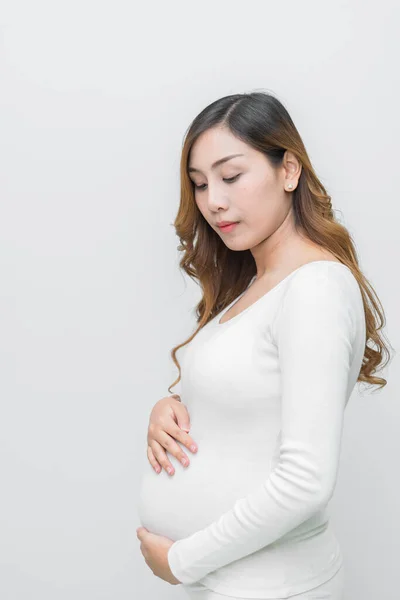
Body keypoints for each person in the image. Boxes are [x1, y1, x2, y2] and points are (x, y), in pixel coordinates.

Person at [136, 91, 391, 600]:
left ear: (288, 169)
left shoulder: (315, 286)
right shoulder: (257, 284)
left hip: (273, 587)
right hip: (231, 583)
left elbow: (306, 482)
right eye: (200, 184)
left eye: (231, 176)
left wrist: (182, 561)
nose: (213, 201)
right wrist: (175, 409)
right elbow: (249, 404)